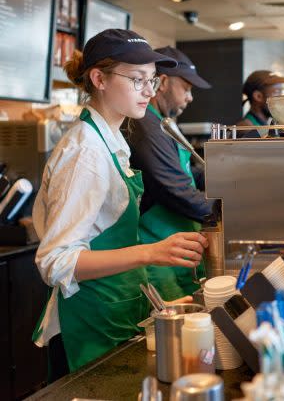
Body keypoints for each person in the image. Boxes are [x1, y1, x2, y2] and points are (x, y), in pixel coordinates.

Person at [32, 29, 208, 378]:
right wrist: (152, 253)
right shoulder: (84, 152)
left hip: (117, 309)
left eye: (152, 80)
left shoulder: (112, 139)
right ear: (99, 78)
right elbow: (55, 262)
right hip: (90, 322)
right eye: (137, 79)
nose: (149, 90)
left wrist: (158, 305)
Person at [126, 46, 214, 301]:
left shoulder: (161, 123)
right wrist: (227, 209)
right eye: (186, 88)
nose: (190, 98)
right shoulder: (146, 127)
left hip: (177, 251)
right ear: (163, 82)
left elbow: (187, 174)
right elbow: (175, 190)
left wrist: (226, 177)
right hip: (158, 258)